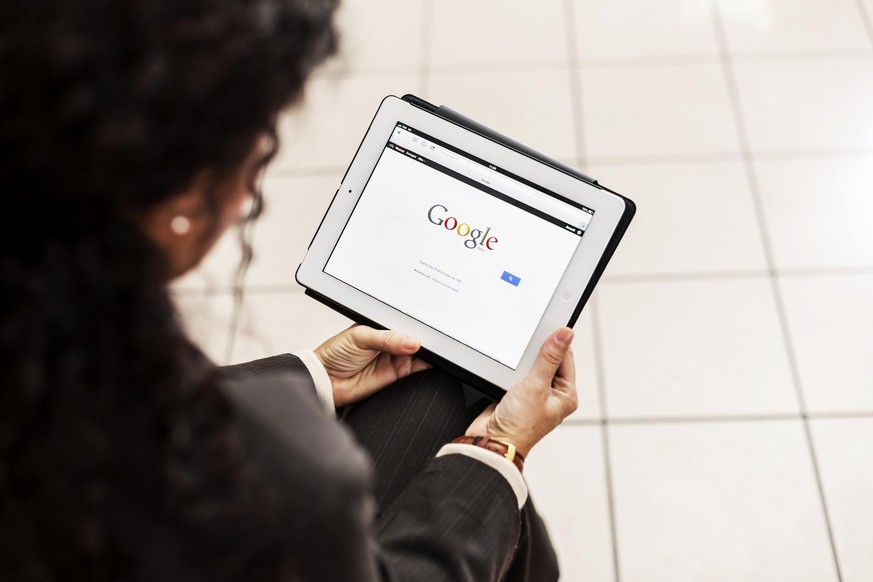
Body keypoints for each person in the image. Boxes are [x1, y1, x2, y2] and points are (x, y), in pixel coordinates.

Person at [0, 0, 578, 580]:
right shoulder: (285, 477)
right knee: (459, 421)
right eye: (255, 138)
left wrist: (311, 374)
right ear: (177, 200)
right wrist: (498, 452)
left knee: (434, 389)